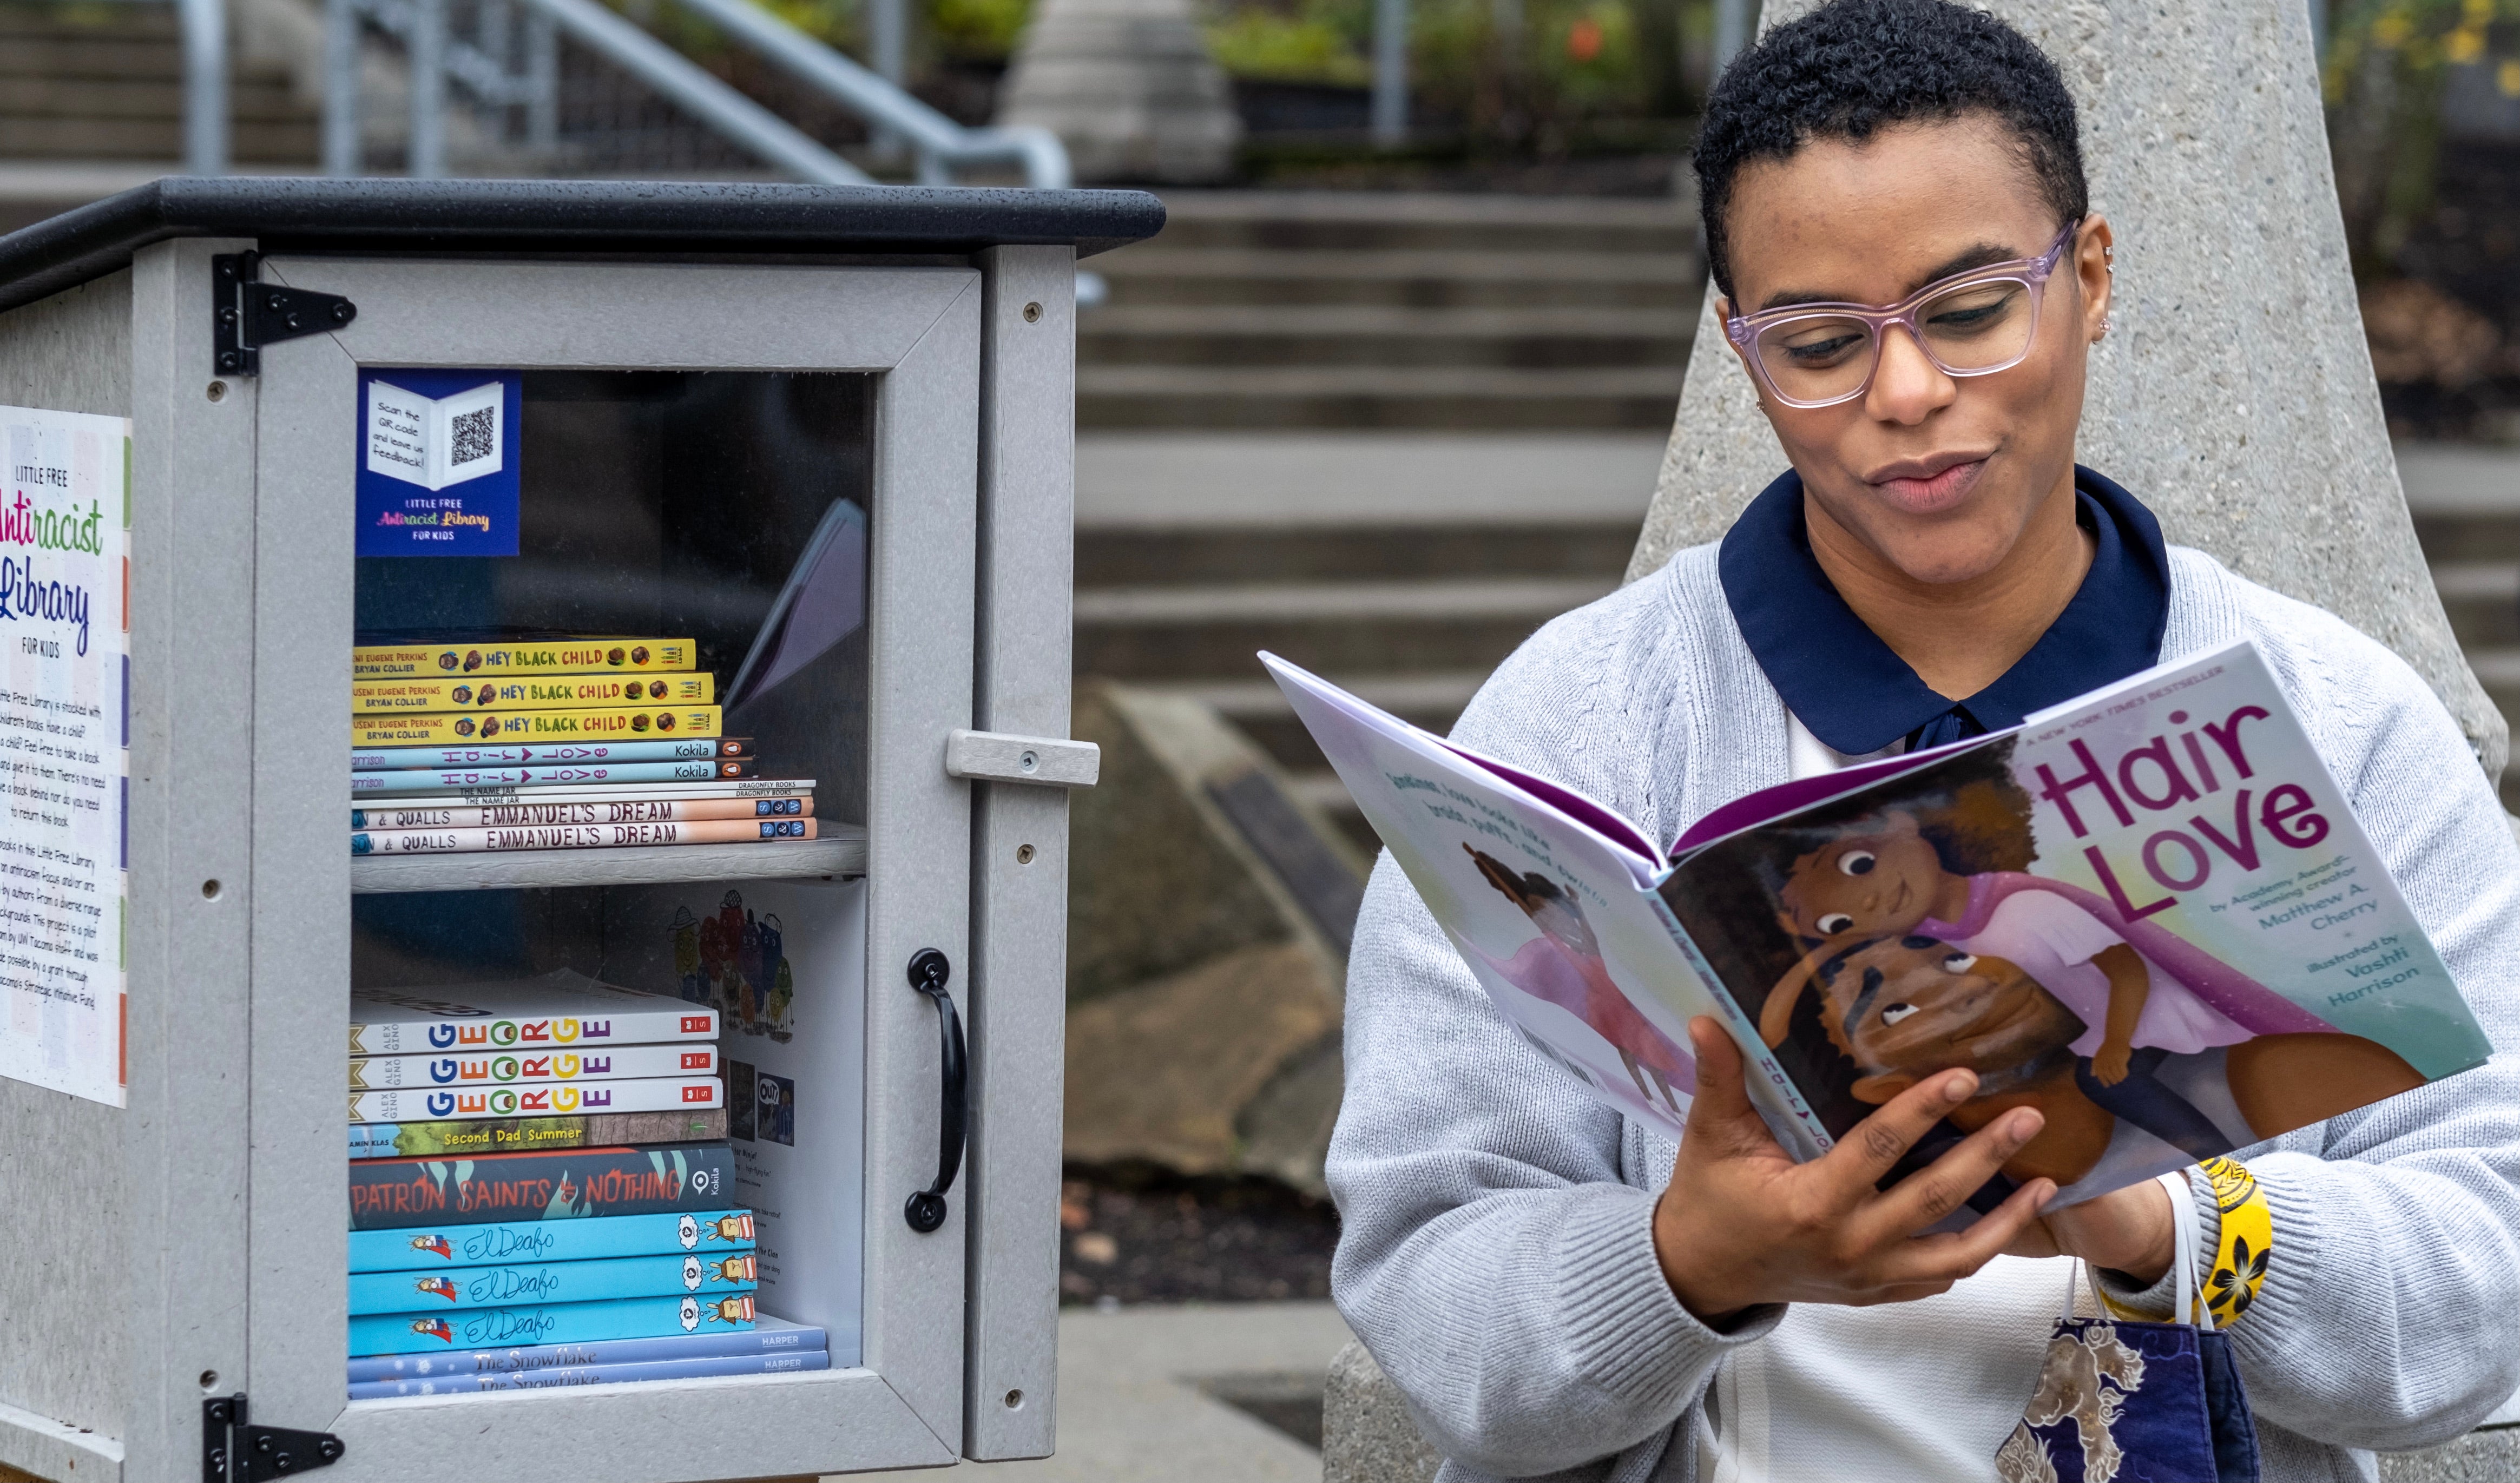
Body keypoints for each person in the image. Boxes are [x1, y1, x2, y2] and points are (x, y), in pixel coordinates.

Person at [1326, 2, 2520, 1478]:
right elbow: (1427, 1287)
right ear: (1737, 347)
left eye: (1967, 312)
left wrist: (2162, 1221)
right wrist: (1687, 1262)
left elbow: (2490, 1271)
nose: (1903, 396)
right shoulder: (1575, 722)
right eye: (1819, 341)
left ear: (2086, 278)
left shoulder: (2338, 721)